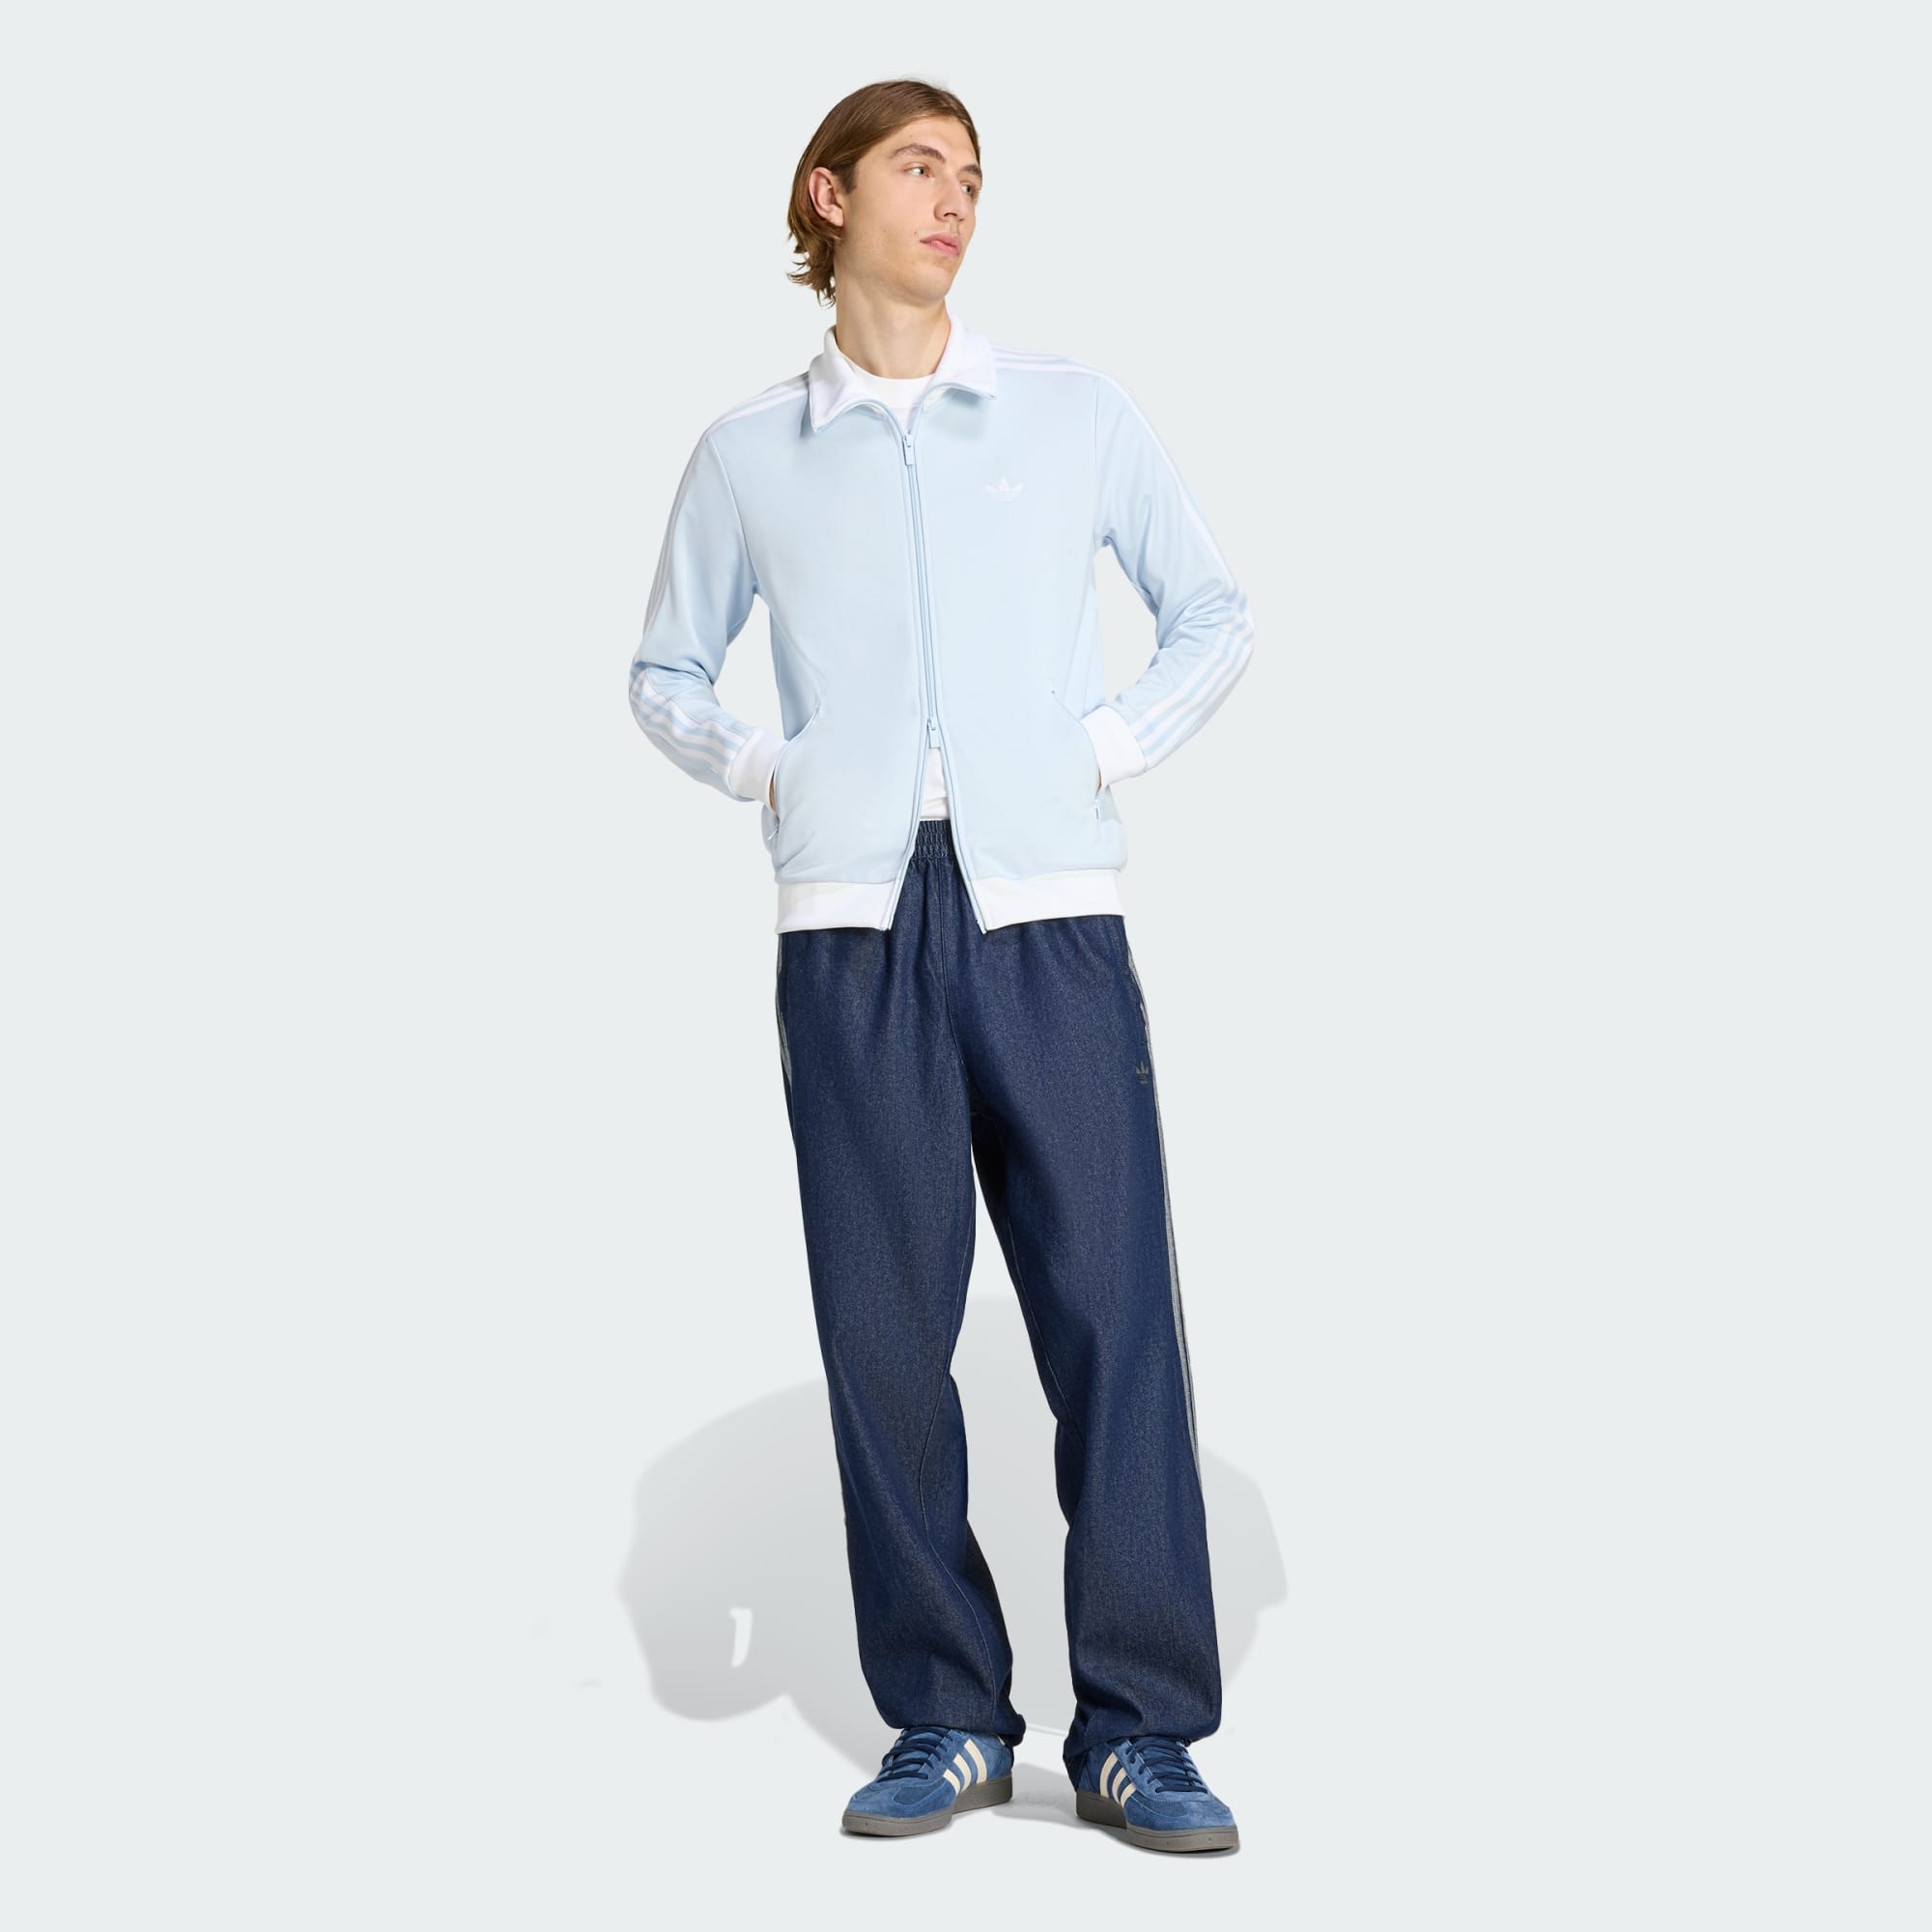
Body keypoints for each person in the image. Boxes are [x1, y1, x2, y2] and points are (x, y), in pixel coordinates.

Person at [627, 77, 1253, 1856]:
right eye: (920, 167)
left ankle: (1141, 1730)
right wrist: (772, 770)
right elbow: (666, 672)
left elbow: (1216, 612)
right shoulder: (752, 451)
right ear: (828, 196)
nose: (957, 199)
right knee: (884, 1336)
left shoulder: (1070, 412)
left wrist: (1099, 751)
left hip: (1050, 918)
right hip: (851, 930)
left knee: (1113, 1318)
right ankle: (948, 1715)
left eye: (973, 175)